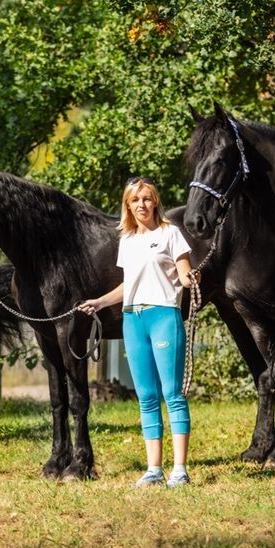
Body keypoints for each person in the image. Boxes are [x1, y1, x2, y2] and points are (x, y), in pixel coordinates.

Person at [79, 176, 194, 488]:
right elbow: (129, 283)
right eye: (135, 200)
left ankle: (179, 469)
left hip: (163, 315)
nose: (141, 205)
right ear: (127, 205)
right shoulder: (127, 240)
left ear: (154, 200)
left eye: (146, 198)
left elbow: (184, 274)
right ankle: (154, 469)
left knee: (171, 393)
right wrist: (100, 302)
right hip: (133, 319)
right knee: (146, 396)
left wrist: (189, 279)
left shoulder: (171, 234)